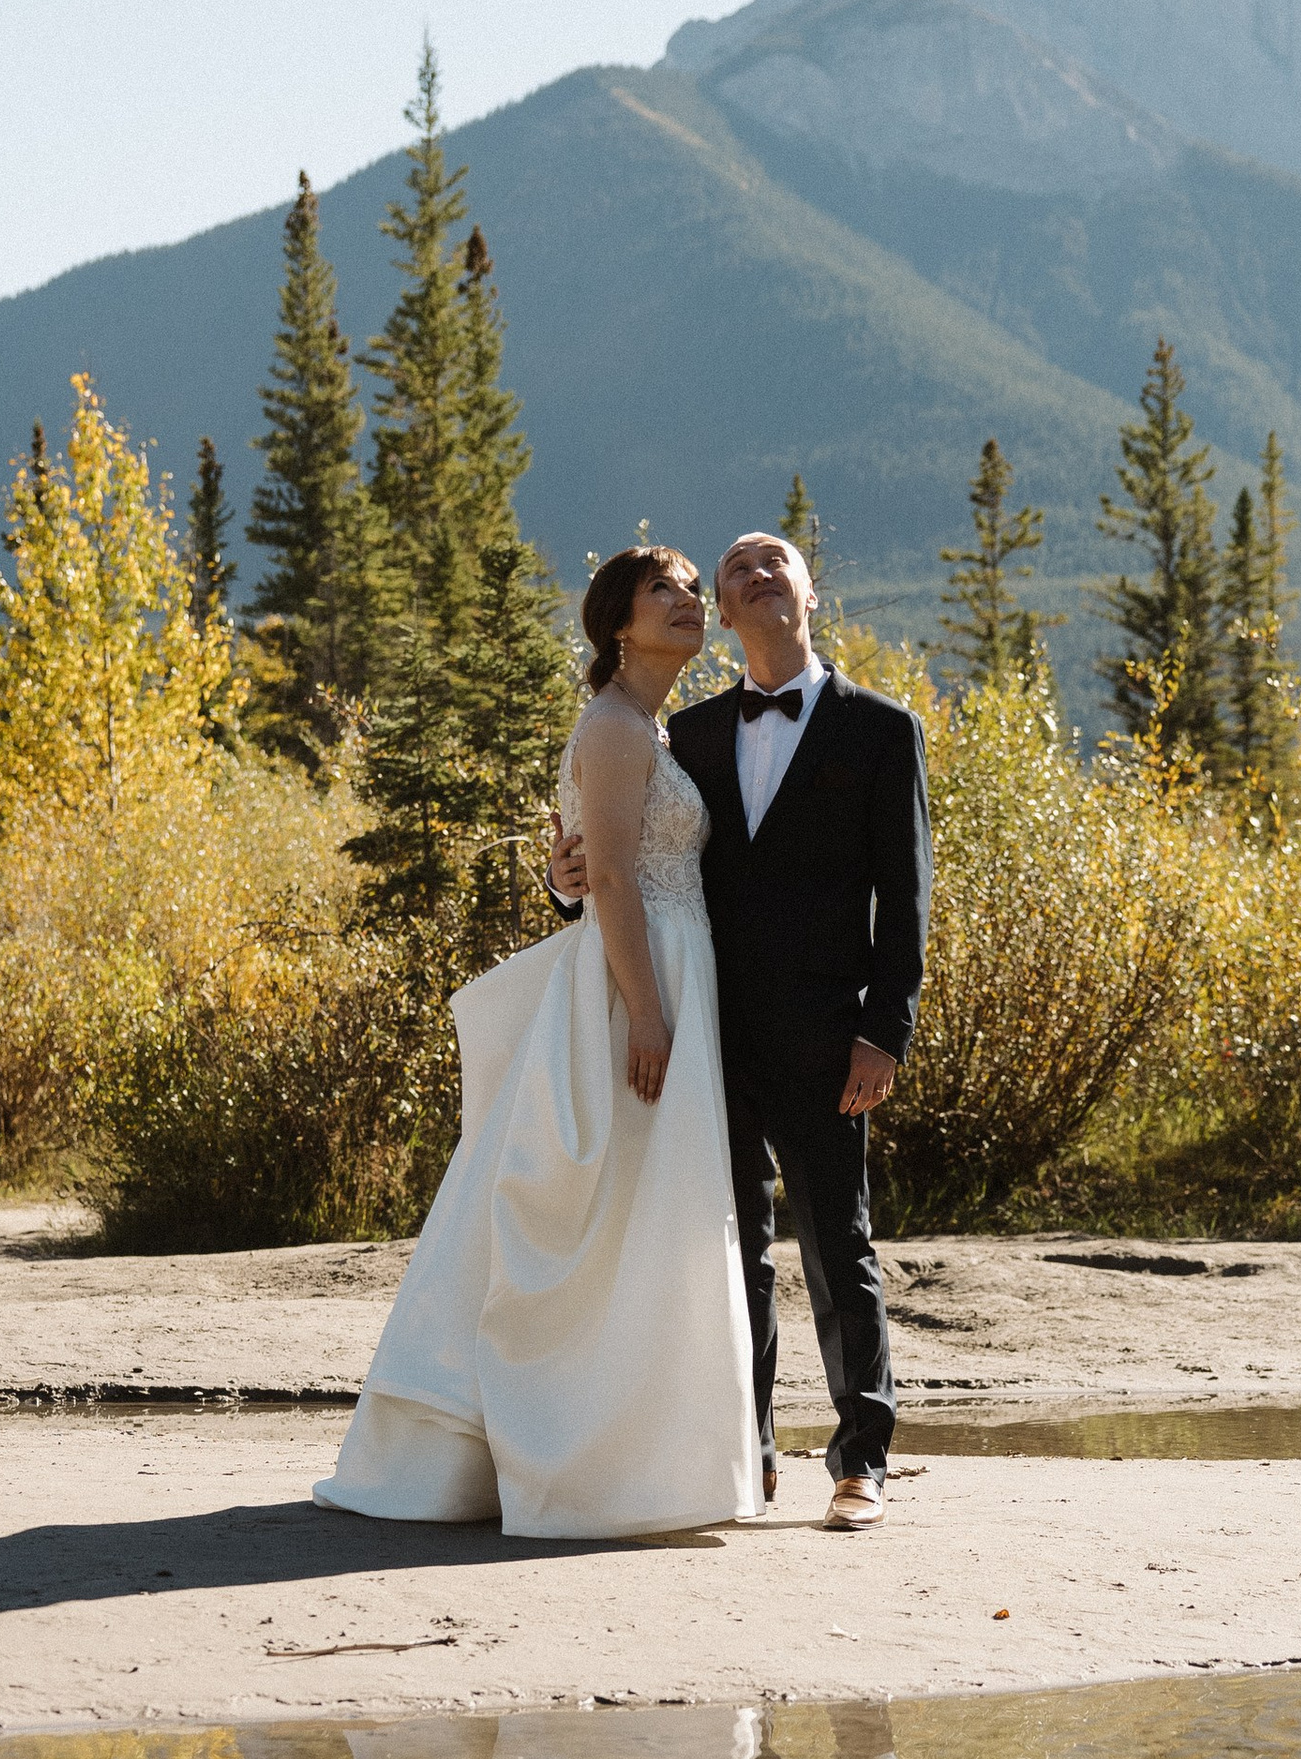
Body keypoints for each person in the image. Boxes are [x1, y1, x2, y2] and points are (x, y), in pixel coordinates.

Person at [313, 546, 759, 1538]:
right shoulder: (611, 729)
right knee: (599, 1215)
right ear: (617, 622)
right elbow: (604, 882)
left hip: (670, 969)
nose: (690, 602)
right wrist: (645, 1012)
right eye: (665, 590)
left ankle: (630, 1455)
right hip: (633, 986)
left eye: (694, 588)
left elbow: (597, 864)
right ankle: (572, 1458)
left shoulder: (652, 728)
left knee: (642, 1222)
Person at [556, 529, 929, 1531]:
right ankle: (749, 1453)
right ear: (723, 615)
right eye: (737, 571)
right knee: (732, 1252)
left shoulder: (881, 730)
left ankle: (862, 1460)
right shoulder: (694, 734)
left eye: (777, 562)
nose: (758, 575)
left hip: (827, 1032)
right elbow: (633, 857)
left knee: (838, 1244)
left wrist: (883, 1031)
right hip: (707, 1031)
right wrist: (566, 883)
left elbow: (907, 900)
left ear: (811, 590)